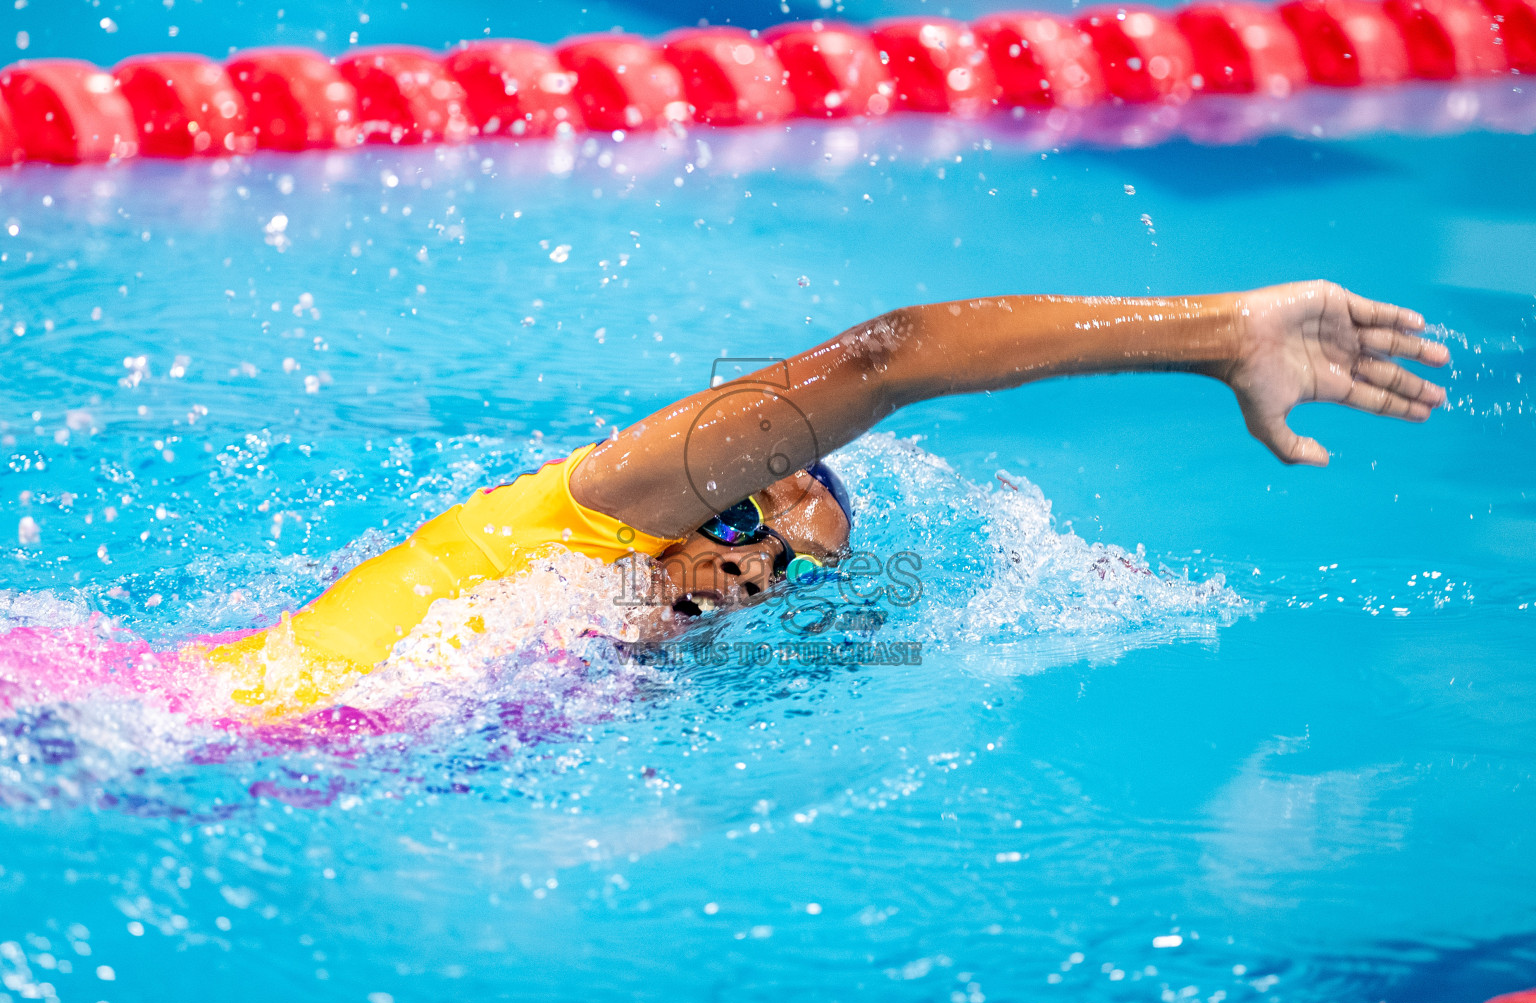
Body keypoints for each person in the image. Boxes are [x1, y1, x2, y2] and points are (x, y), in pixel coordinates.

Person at [199, 279, 1447, 707]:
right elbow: (891, 353)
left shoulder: (616, 653)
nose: (746, 588)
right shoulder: (576, 518)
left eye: (789, 572)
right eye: (749, 538)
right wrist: (1216, 330)